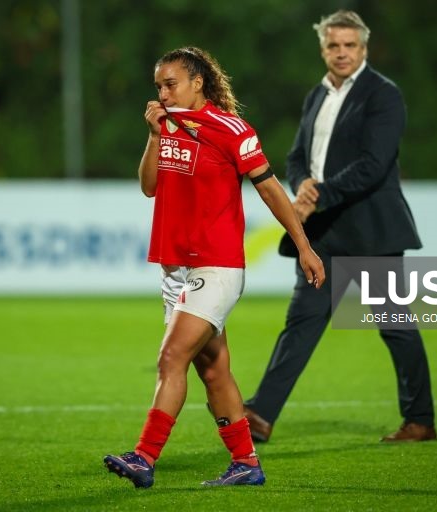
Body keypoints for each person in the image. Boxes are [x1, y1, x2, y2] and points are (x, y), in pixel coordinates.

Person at [103, 46, 325, 488]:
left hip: (216, 265)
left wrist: (304, 244)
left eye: (171, 84)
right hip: (174, 269)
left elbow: (270, 190)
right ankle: (246, 463)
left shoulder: (231, 129)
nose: (163, 93)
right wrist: (153, 136)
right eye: (158, 86)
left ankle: (144, 457)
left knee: (172, 358)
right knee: (213, 370)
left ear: (198, 82)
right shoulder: (165, 126)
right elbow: (149, 187)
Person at [243, 10, 437, 444]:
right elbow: (297, 158)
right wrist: (303, 185)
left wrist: (317, 195)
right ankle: (260, 414)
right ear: (323, 48)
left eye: (350, 45)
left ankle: (420, 420)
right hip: (324, 235)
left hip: (372, 232)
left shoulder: (383, 95)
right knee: (303, 320)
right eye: (334, 45)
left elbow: (374, 165)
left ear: (363, 48)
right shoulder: (317, 95)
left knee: (394, 325)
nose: (342, 52)